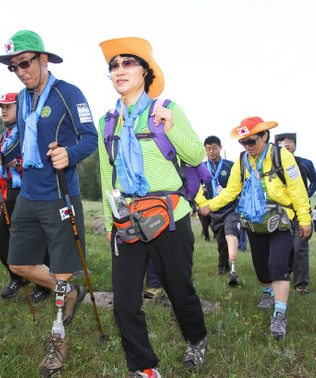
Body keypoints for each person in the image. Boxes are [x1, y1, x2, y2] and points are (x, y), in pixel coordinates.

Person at [0, 30, 98, 377]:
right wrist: (1, 157)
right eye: (14, 66)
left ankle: (56, 346)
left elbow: (89, 137)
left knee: (59, 268)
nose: (20, 71)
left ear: (43, 59)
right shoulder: (22, 97)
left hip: (60, 195)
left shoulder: (68, 93)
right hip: (28, 197)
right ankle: (70, 292)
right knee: (18, 264)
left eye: (25, 63)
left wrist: (70, 154)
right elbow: (22, 143)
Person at [98, 37, 208, 377]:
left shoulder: (168, 110)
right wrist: (108, 220)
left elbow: (196, 155)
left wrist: (170, 129)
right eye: (114, 66)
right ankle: (144, 368)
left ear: (147, 71)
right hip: (127, 219)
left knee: (179, 289)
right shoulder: (108, 122)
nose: (120, 70)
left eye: (128, 63)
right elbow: (107, 177)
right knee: (125, 302)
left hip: (170, 217)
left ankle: (197, 339)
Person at [199, 117, 311, 341]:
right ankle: (267, 293)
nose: (247, 146)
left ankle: (279, 315)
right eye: (243, 142)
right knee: (260, 265)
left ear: (265, 136)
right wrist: (209, 204)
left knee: (277, 263)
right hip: (253, 221)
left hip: (280, 219)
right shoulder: (242, 161)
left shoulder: (282, 156)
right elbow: (231, 191)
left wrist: (305, 218)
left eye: (251, 141)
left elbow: (298, 190)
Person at [0, 93, 27, 298]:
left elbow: (39, 163)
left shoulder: (28, 132)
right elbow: (0, 170)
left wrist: (17, 163)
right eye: (1, 107)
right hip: (9, 191)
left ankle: (44, 283)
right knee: (1, 235)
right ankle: (16, 277)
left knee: (32, 237)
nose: (3, 111)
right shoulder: (1, 138)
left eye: (8, 106)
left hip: (29, 190)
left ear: (20, 108)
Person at [275, 133, 316, 295]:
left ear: (295, 145)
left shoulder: (305, 163)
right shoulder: (272, 165)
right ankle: (283, 276)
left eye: (290, 142)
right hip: (280, 212)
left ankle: (301, 284)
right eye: (281, 142)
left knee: (300, 246)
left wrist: (306, 194)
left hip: (300, 210)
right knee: (283, 246)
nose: (286, 145)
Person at [195, 136, 241, 285]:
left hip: (230, 208)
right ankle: (223, 266)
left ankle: (232, 267)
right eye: (208, 149)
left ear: (220, 148)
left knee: (230, 233)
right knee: (220, 240)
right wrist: (200, 205)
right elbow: (196, 187)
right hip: (213, 210)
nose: (211, 151)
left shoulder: (230, 165)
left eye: (214, 148)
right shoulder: (201, 167)